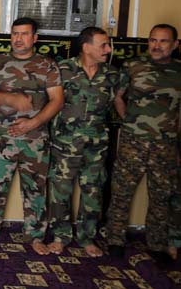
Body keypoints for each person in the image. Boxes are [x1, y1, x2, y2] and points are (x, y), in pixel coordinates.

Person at [0, 17, 64, 255]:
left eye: (24, 34)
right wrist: (9, 98)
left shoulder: (47, 65)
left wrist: (33, 123)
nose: (18, 38)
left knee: (36, 190)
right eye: (15, 33)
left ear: (34, 38)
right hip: (1, 138)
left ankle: (35, 236)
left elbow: (57, 100)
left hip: (35, 139)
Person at [105, 23, 181, 266]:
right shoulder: (133, 66)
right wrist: (128, 121)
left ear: (175, 44)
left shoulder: (179, 70)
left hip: (166, 145)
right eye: (152, 40)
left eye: (163, 41)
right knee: (121, 191)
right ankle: (115, 239)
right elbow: (118, 97)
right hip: (133, 141)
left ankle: (157, 244)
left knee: (161, 195)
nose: (156, 46)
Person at [46, 27, 118, 257]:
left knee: (93, 191)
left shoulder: (113, 75)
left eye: (108, 45)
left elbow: (118, 104)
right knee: (60, 190)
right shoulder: (62, 70)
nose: (108, 49)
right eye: (103, 45)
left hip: (97, 146)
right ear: (86, 47)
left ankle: (87, 237)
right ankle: (60, 236)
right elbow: (50, 101)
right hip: (65, 143)